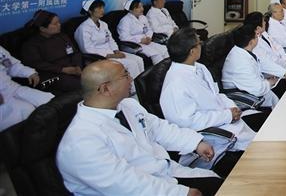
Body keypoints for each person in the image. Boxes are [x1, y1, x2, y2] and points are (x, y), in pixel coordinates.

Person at [57, 60, 221, 196]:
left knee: (219, 183)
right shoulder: (81, 140)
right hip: (142, 190)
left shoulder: (127, 105)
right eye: (125, 75)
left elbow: (159, 128)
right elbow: (124, 184)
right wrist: (179, 193)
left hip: (162, 174)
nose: (131, 79)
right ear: (105, 88)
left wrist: (195, 143)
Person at [160, 27, 258, 151]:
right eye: (199, 43)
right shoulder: (175, 84)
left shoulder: (199, 68)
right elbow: (189, 122)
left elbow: (216, 94)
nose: (201, 45)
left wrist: (232, 108)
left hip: (229, 119)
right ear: (192, 51)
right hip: (217, 134)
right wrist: (227, 115)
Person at [74, 0, 144, 82]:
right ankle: (133, 88)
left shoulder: (104, 24)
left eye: (102, 8)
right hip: (99, 58)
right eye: (99, 8)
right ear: (90, 11)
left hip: (112, 52)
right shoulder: (83, 28)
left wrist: (116, 51)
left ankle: (141, 85)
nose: (102, 10)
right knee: (131, 64)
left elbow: (111, 40)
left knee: (139, 60)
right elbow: (87, 49)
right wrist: (111, 55)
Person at [222, 24, 283, 108]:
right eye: (256, 36)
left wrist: (280, 73)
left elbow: (261, 64)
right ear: (251, 42)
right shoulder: (240, 61)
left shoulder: (242, 51)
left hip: (252, 90)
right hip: (244, 98)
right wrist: (270, 82)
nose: (258, 37)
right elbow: (258, 89)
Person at [22, 9, 83, 93]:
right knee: (81, 84)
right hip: (52, 73)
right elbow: (37, 64)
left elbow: (75, 53)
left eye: (59, 22)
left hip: (73, 68)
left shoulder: (62, 36)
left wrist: (78, 66)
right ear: (42, 29)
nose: (59, 25)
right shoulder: (31, 45)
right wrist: (62, 69)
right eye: (55, 24)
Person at [1, 45, 54, 132]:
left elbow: (11, 65)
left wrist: (29, 73)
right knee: (26, 113)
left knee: (49, 101)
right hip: (2, 103)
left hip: (12, 88)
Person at [246, 12, 286, 79]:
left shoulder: (264, 33)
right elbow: (269, 61)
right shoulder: (255, 43)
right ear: (258, 28)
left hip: (285, 64)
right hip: (275, 73)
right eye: (263, 21)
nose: (265, 23)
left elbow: (278, 46)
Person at [118, 0, 170, 64]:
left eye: (142, 6)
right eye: (139, 7)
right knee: (156, 54)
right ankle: (160, 70)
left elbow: (149, 29)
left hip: (147, 41)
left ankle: (169, 68)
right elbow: (124, 37)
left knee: (164, 49)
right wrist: (140, 40)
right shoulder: (125, 21)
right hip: (136, 44)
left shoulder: (143, 17)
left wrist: (148, 37)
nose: (142, 9)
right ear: (131, 10)